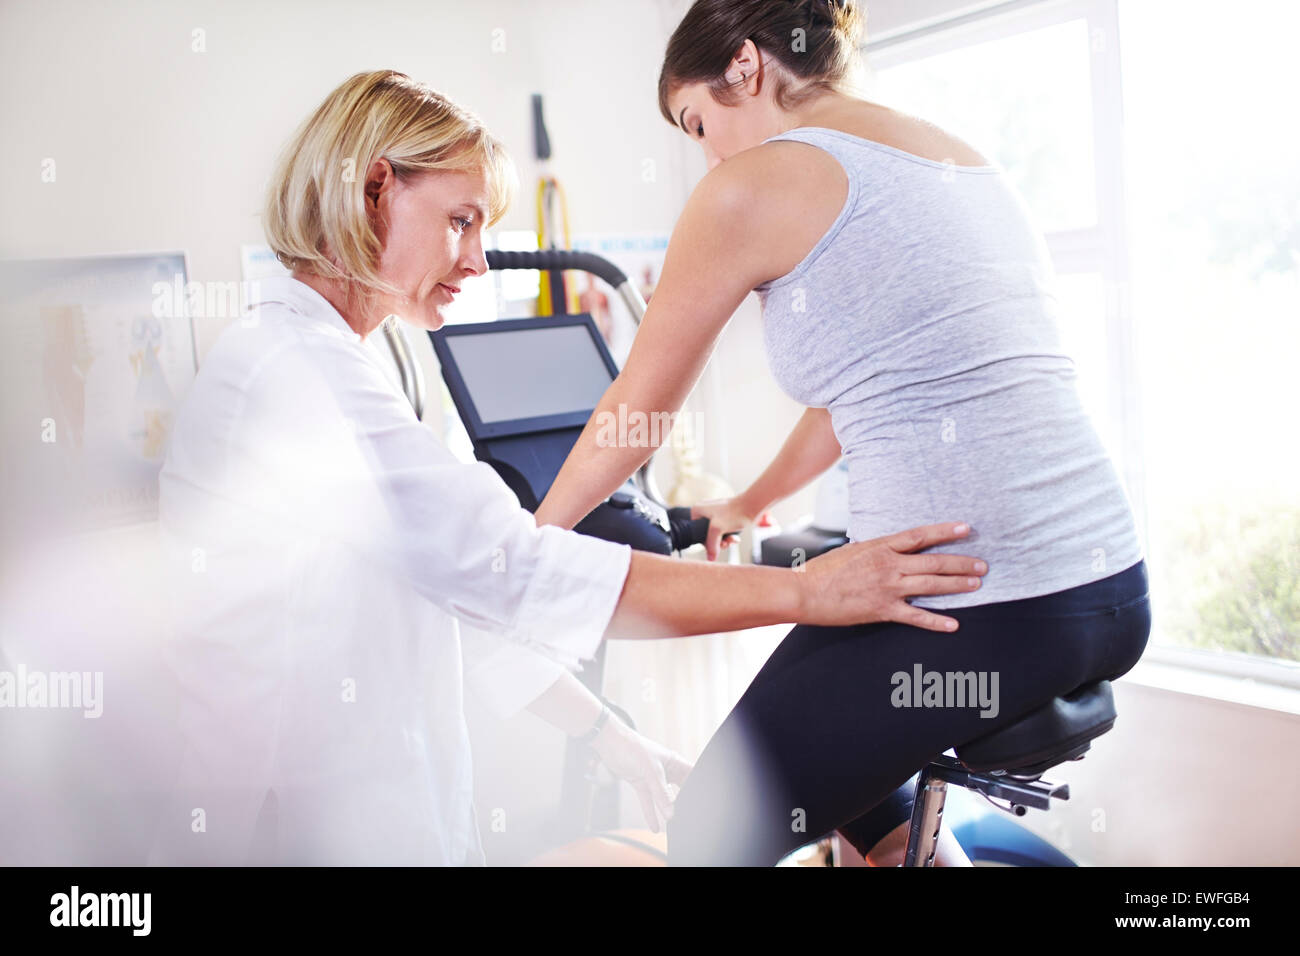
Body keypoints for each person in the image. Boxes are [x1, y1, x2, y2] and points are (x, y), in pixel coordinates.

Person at [147, 68, 987, 866]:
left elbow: (458, 593)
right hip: (291, 826)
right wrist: (812, 591)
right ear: (373, 191)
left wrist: (610, 738)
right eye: (460, 221)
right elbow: (508, 570)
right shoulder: (291, 374)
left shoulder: (350, 363)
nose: (476, 259)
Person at [533, 0, 1151, 866]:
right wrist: (751, 501)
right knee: (839, 771)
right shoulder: (954, 155)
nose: (703, 151)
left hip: (983, 603)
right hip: (1110, 583)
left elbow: (640, 412)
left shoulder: (750, 184)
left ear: (747, 66)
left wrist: (535, 541)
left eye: (696, 121)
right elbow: (862, 387)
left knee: (712, 826)